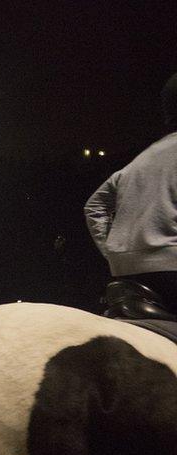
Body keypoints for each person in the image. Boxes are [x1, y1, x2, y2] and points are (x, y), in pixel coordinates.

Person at [85, 72, 177, 315]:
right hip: (171, 267)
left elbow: (94, 205)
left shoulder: (143, 159)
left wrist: (111, 250)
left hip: (123, 270)